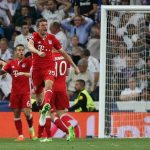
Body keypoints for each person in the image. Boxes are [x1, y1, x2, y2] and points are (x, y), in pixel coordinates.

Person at [27, 18, 79, 140]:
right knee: (55, 111)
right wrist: (75, 67)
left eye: (46, 24)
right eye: (42, 25)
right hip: (55, 84)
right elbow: (29, 46)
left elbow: (63, 52)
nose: (45, 26)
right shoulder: (34, 36)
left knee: (47, 109)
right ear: (38, 27)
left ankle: (47, 136)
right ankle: (68, 129)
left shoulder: (52, 40)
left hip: (49, 76)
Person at [0, 44, 36, 141]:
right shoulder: (11, 63)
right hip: (15, 92)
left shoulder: (29, 62)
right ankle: (20, 135)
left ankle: (31, 129)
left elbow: (34, 73)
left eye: (22, 50)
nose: (21, 51)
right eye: (19, 50)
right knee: (16, 113)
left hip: (26, 92)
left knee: (27, 113)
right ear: (15, 52)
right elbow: (2, 72)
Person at [38, 51, 76, 142]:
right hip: (62, 88)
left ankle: (49, 137)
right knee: (61, 113)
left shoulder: (48, 57)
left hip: (51, 87)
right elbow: (65, 73)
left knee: (49, 113)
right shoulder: (64, 56)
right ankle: (69, 127)